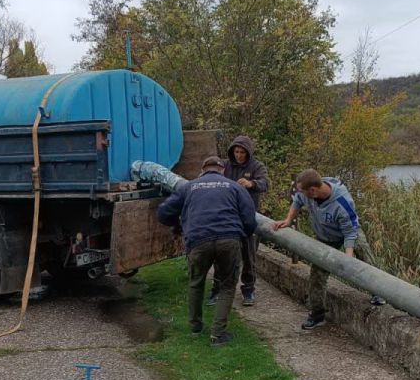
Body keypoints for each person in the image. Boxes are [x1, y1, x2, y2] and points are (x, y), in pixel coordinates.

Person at [157, 155, 257, 345]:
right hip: (229, 239)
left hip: (198, 240)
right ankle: (218, 335)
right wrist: (241, 235)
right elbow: (250, 220)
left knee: (196, 282)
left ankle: (195, 326)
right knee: (227, 286)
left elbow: (163, 213)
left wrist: (178, 226)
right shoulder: (235, 187)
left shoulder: (188, 187)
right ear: (223, 171)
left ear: (202, 170)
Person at [271, 168, 385, 330]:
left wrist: (348, 256)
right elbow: (297, 200)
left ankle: (378, 291)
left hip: (349, 232)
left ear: (313, 190)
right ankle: (317, 314)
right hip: (325, 235)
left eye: (303, 191)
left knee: (366, 257)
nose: (301, 194)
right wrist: (288, 220)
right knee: (317, 273)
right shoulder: (306, 193)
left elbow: (350, 231)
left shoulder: (342, 202)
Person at [206, 135, 269, 307]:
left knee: (249, 256)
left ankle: (248, 290)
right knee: (222, 255)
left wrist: (251, 183)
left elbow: (265, 184)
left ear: (248, 153)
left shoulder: (257, 166)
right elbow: (210, 178)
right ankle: (217, 289)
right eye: (236, 151)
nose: (239, 155)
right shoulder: (224, 166)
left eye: (242, 152)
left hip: (247, 218)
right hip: (226, 218)